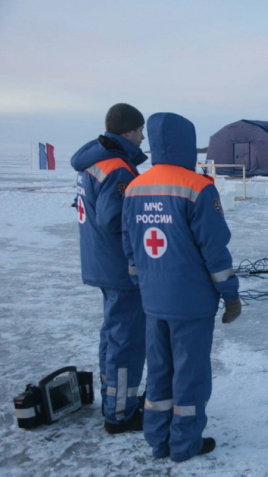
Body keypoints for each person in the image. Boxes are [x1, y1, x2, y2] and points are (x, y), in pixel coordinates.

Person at [122, 112, 242, 462]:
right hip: (191, 303)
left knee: (159, 372)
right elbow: (214, 250)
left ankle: (158, 440)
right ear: (187, 143)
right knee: (190, 374)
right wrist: (231, 296)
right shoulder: (198, 187)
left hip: (153, 300)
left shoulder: (133, 187)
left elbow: (130, 246)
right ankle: (185, 444)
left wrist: (142, 283)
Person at [70, 103, 147, 434]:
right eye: (140, 130)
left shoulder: (94, 161)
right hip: (119, 268)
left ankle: (115, 400)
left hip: (100, 261)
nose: (143, 137)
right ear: (128, 131)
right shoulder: (118, 168)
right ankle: (121, 413)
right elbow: (115, 218)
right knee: (126, 341)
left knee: (114, 336)